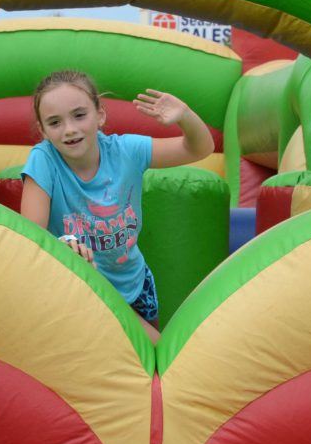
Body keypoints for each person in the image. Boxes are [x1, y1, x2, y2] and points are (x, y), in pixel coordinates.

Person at [20, 70, 215, 341]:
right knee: (152, 352)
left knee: (146, 372)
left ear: (100, 115)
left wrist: (185, 116)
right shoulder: (44, 161)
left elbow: (200, 149)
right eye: (55, 122)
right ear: (42, 131)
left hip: (134, 286)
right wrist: (63, 244)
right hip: (81, 291)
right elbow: (31, 238)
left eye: (79, 115)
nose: (70, 129)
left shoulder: (126, 151)